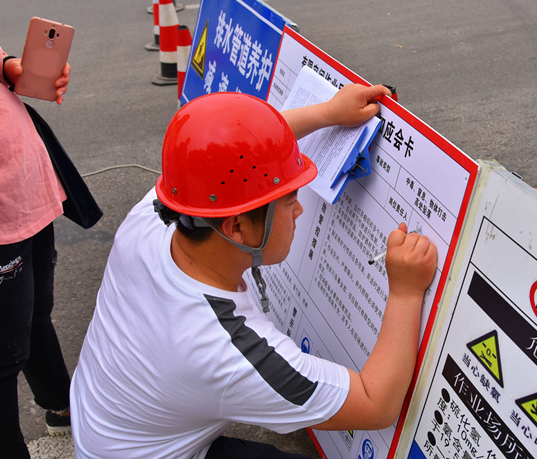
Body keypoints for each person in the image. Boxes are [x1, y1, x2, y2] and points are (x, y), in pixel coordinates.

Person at [70, 87, 437, 459]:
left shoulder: (157, 215)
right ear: (237, 228)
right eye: (290, 202)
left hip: (107, 426)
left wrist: (328, 113)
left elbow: (226, 158)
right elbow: (375, 403)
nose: (299, 212)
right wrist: (405, 291)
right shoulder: (225, 348)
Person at [0, 48, 73, 458]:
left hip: (26, 184)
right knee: (2, 358)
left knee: (35, 315)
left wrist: (9, 67)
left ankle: (61, 406)